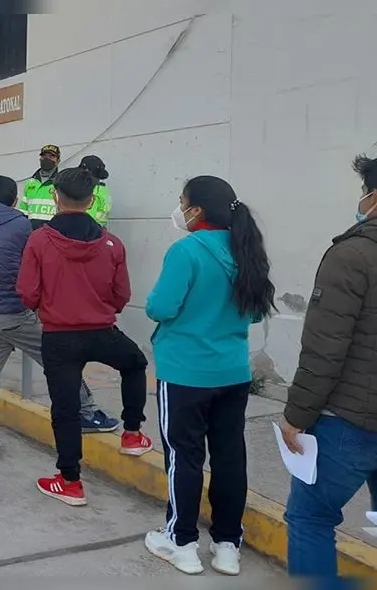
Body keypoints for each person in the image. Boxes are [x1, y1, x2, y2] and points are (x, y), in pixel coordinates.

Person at [142, 176, 275, 576]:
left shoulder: (186, 251)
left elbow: (160, 307)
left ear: (196, 210)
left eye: (182, 202)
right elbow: (253, 313)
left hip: (185, 373)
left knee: (183, 457)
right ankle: (227, 545)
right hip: (232, 372)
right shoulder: (247, 251)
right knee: (230, 456)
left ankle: (181, 542)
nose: (179, 209)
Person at [0, 176, 120, 461]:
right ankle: (86, 412)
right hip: (13, 313)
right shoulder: (19, 223)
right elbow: (34, 264)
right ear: (14, 199)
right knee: (59, 362)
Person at [17, 167, 152, 507]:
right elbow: (122, 293)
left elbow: (27, 292)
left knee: (65, 409)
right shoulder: (111, 243)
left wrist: (44, 306)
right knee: (135, 363)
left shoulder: (39, 240)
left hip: (58, 337)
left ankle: (70, 481)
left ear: (54, 197)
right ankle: (133, 434)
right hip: (101, 331)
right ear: (92, 200)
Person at [281, 154, 377, 577]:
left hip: (351, 421)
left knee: (311, 518)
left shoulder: (353, 255)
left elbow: (325, 349)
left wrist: (295, 417)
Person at [19, 144, 61, 229]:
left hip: (52, 232)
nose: (47, 159)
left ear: (58, 161)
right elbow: (23, 211)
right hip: (31, 232)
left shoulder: (61, 183)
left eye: (51, 156)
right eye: (44, 156)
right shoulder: (30, 183)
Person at [79, 155, 112, 226]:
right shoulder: (103, 191)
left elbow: (85, 217)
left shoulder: (92, 191)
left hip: (87, 231)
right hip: (98, 231)